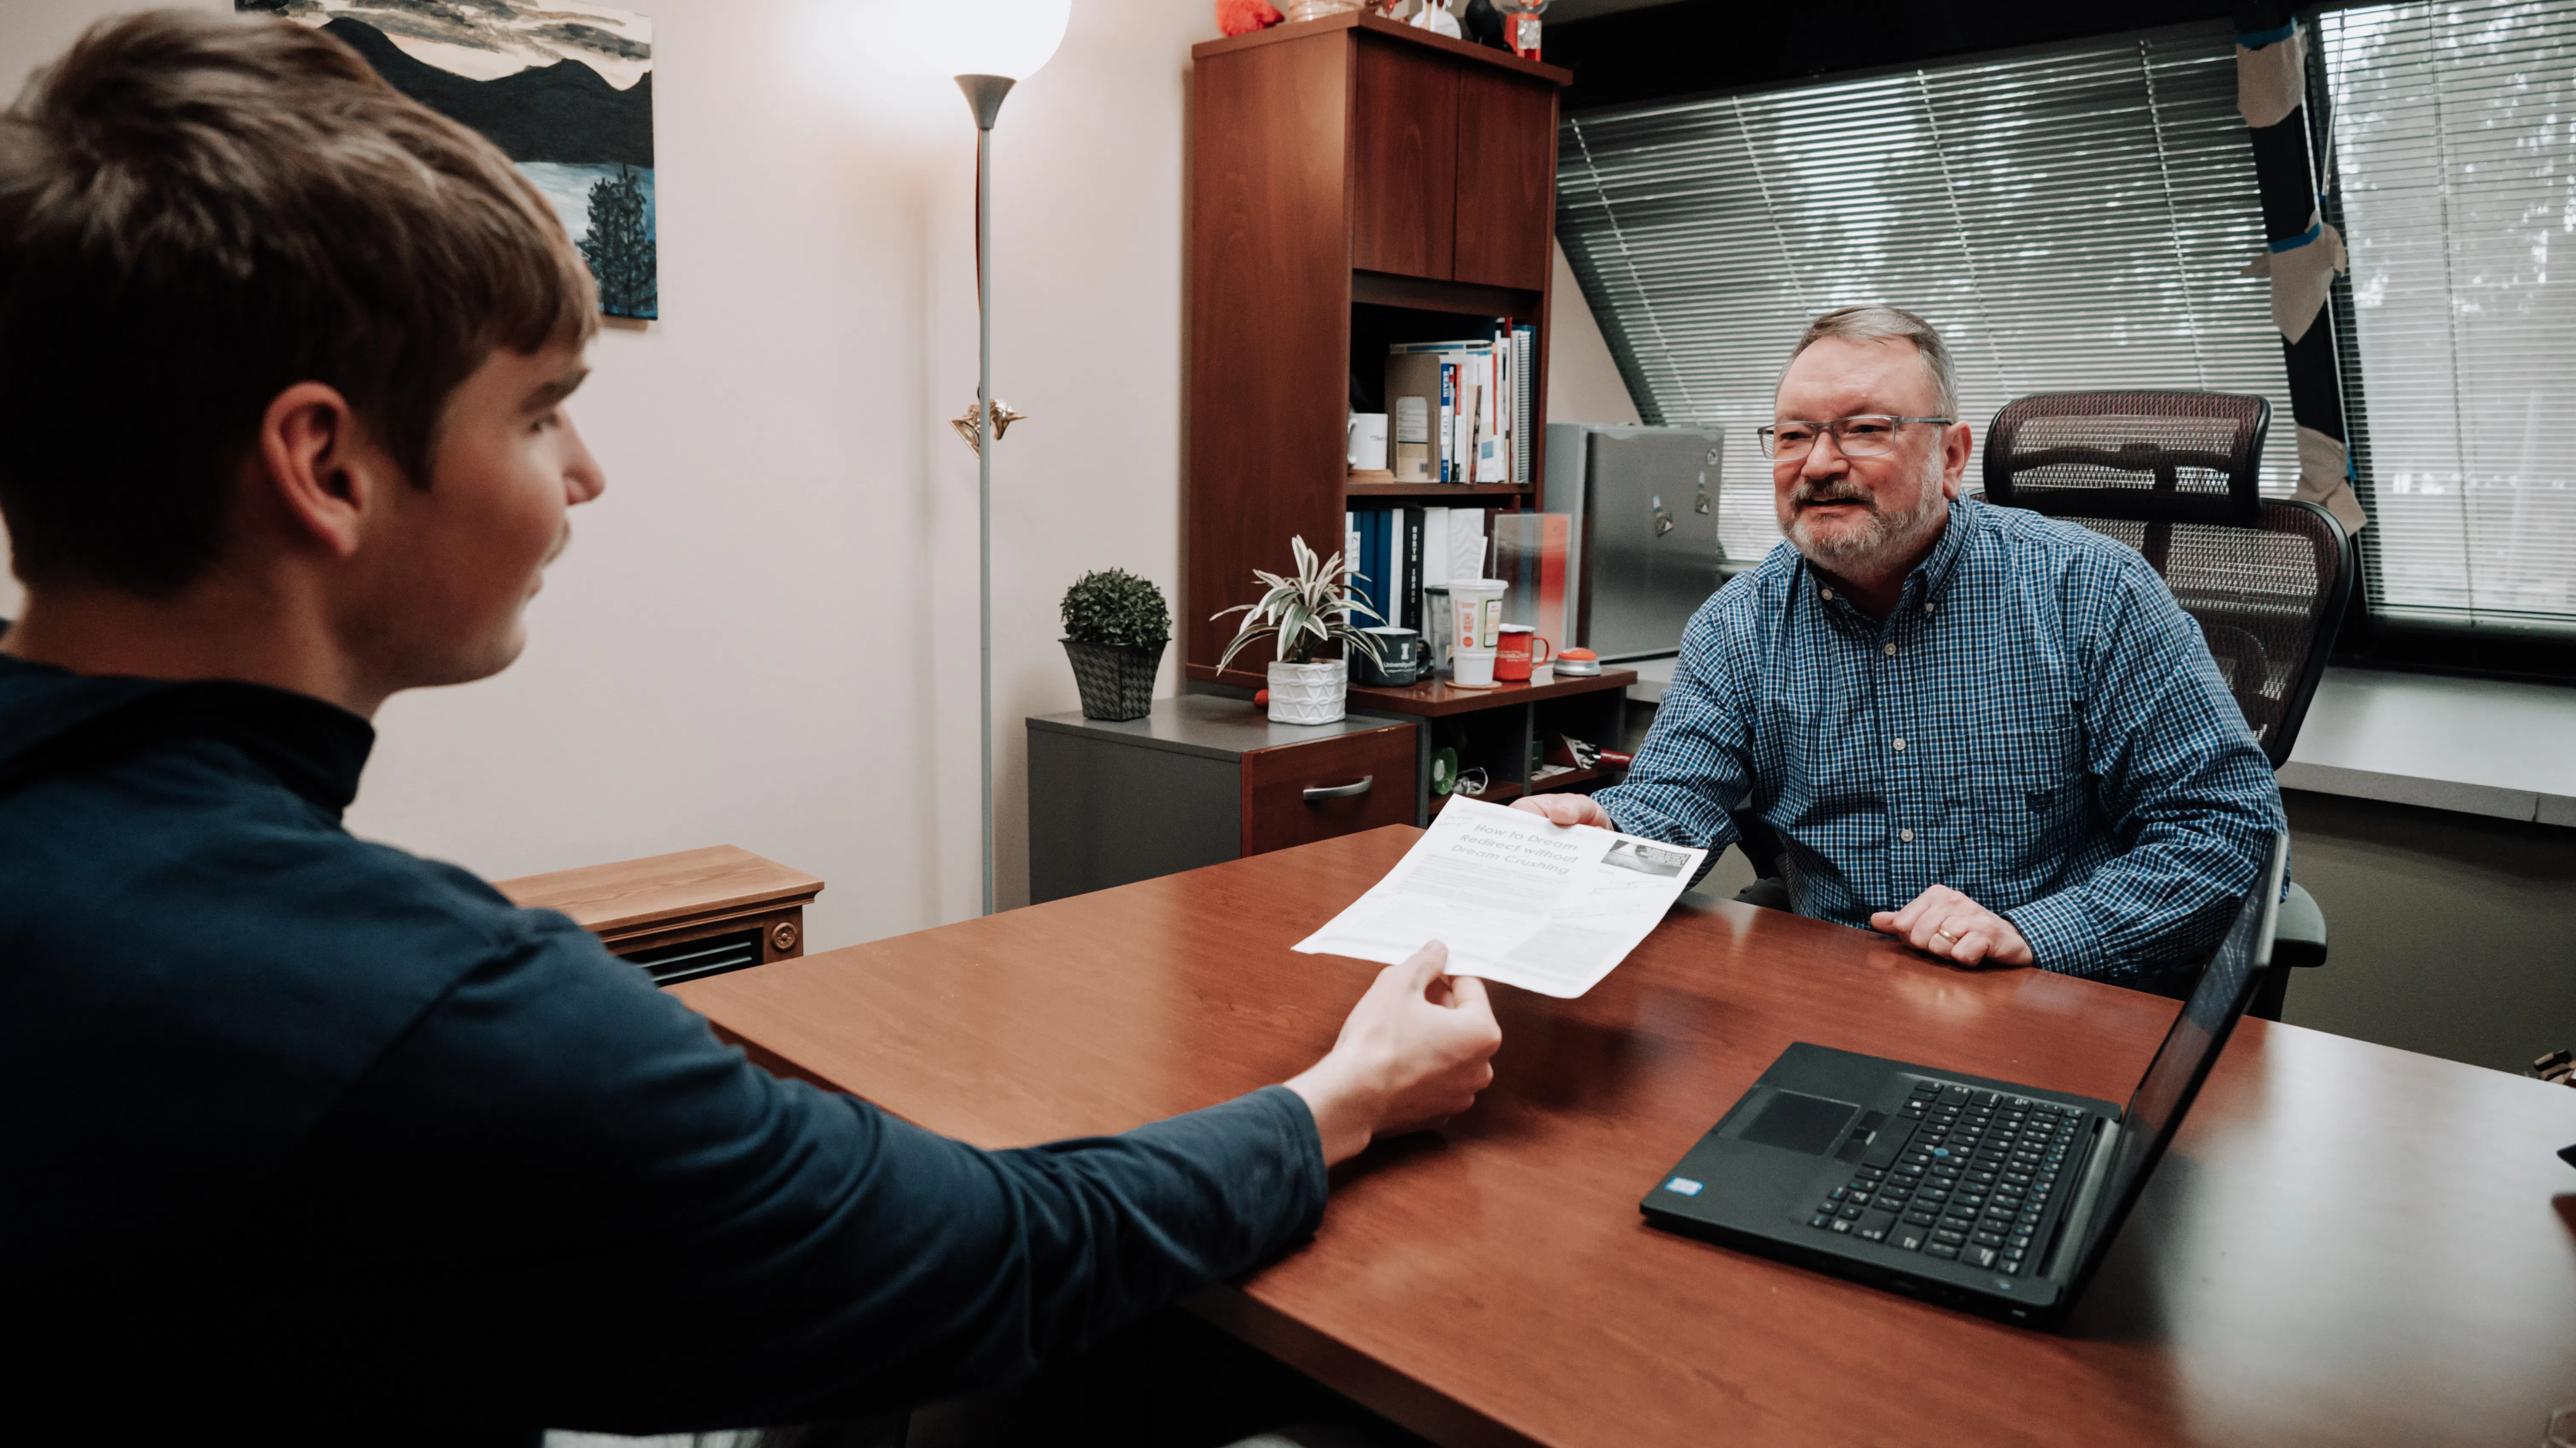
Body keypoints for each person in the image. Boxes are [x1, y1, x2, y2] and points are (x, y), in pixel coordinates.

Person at [0, 12, 1500, 1442]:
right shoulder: (416, 1011)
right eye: (538, 412)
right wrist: (1339, 1096)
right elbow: (1000, 1254)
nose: (584, 475)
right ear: (323, 465)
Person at [1518, 305, 2283, 991]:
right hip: (1835, 987)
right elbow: (1673, 801)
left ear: (1951, 458)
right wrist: (1606, 827)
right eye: (1792, 436)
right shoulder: (1737, 624)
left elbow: (2231, 834)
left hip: (2050, 993)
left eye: (1865, 429)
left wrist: (2031, 934)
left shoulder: (2092, 592)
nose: (1818, 464)